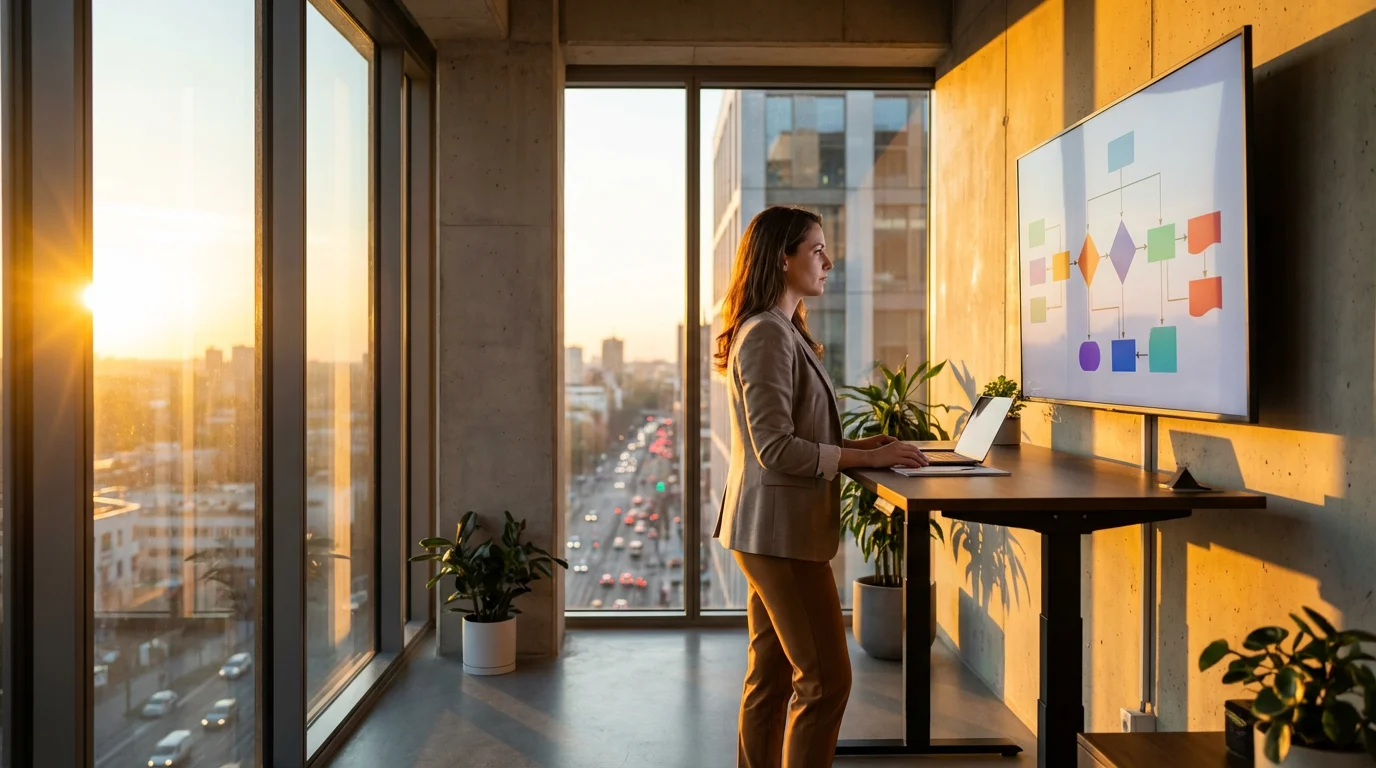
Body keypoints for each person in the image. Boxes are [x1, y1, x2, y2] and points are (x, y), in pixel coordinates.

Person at [712, 206, 930, 768]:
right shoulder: (765, 334)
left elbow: (795, 434)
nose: (829, 262)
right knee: (827, 681)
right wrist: (856, 458)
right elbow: (776, 447)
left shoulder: (782, 330)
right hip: (778, 536)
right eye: (816, 250)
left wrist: (865, 450)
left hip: (769, 531)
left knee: (772, 676)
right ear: (781, 259)